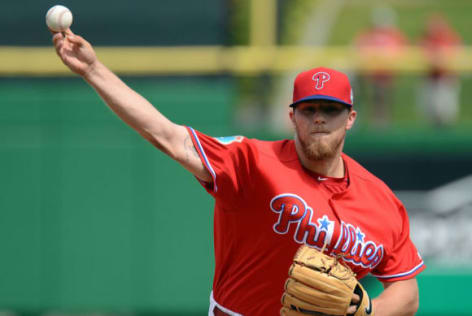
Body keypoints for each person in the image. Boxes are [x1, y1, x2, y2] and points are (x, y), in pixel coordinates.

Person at [51, 29, 425, 316]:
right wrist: (93, 70)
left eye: (332, 110)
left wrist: (369, 311)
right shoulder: (251, 161)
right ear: (292, 115)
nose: (320, 119)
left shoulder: (382, 202)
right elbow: (168, 136)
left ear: (351, 119)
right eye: (309, 109)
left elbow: (406, 291)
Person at [353, 6, 407, 127]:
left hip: (385, 77)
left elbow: (401, 53)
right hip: (368, 76)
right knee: (363, 101)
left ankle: (380, 127)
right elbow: (358, 49)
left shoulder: (395, 36)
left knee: (382, 105)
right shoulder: (367, 35)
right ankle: (360, 125)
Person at [419, 13, 462, 127]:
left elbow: (455, 55)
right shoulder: (426, 39)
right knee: (431, 112)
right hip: (431, 79)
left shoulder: (450, 38)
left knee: (445, 113)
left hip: (446, 80)